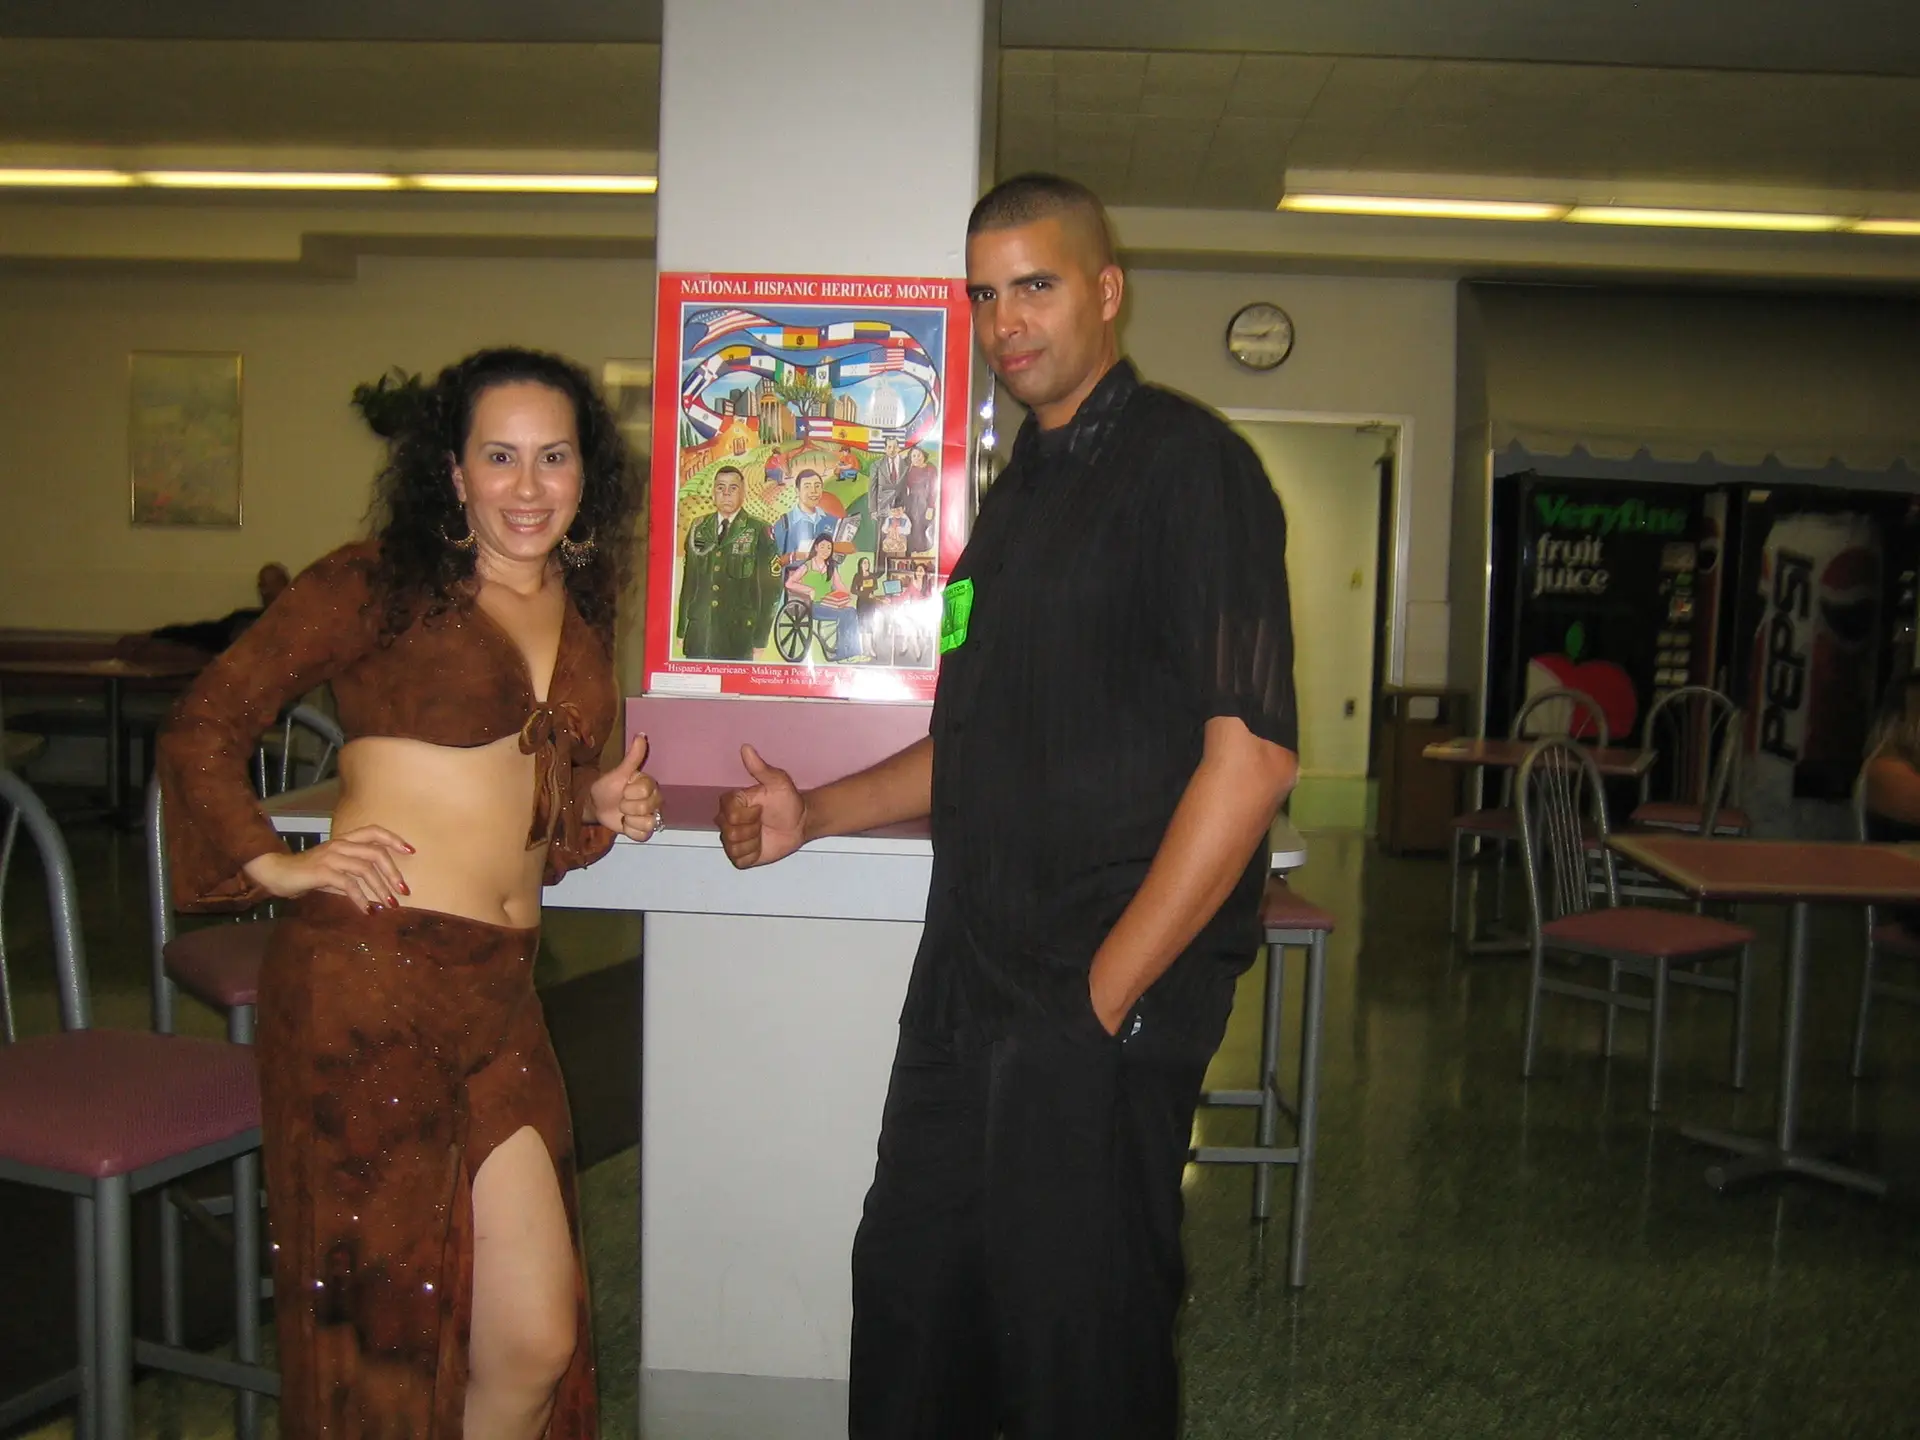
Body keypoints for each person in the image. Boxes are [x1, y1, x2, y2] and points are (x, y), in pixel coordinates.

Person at [716, 173, 1299, 1437]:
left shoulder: (1192, 470)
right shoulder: (1020, 493)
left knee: (1076, 1344)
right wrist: (816, 811)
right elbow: (973, 746)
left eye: (1035, 285)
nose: (1007, 321)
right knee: (914, 1304)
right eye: (985, 295)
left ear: (1107, 289)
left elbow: (1252, 758)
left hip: (1097, 991)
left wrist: (1099, 1004)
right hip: (966, 982)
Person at [159, 347, 661, 1440]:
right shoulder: (378, 585)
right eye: (499, 456)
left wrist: (595, 803)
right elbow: (205, 724)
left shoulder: (584, 601)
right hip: (368, 981)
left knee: (536, 1342)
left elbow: (534, 814)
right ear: (453, 470)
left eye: (554, 457)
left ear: (587, 472)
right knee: (384, 1355)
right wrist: (272, 862)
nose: (528, 486)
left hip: (503, 992)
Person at [678, 464, 781, 660]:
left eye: (733, 488)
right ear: (713, 492)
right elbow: (689, 580)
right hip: (700, 635)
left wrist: (760, 639)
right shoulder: (698, 527)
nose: (726, 493)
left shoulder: (759, 530)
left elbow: (771, 591)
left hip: (738, 638)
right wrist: (682, 629)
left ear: (743, 492)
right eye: (720, 487)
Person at [132, 562, 292, 656]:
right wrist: (156, 634)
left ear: (286, 586)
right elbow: (202, 631)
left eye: (268, 585)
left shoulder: (294, 623)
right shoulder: (244, 619)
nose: (263, 591)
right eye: (262, 585)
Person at [771, 468, 839, 577]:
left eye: (817, 486)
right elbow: (774, 561)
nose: (813, 491)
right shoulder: (784, 522)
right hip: (794, 582)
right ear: (797, 491)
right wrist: (795, 556)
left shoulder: (831, 521)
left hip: (824, 582)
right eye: (807, 486)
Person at [902, 446, 938, 554]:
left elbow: (933, 489)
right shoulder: (909, 469)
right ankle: (911, 551)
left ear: (923, 456)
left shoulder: (930, 469)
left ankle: (921, 551)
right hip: (911, 501)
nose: (917, 458)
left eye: (919, 455)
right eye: (914, 456)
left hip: (924, 502)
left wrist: (930, 507)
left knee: (920, 527)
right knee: (910, 526)